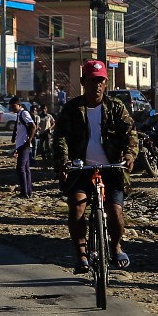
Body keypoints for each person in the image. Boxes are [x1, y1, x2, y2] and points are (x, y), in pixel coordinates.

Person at [58, 59, 137, 272]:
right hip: (80, 170)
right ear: (83, 81)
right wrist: (63, 161)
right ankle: (81, 255)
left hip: (112, 169)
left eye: (101, 80)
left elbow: (130, 134)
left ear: (106, 82)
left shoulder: (116, 107)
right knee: (77, 208)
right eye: (93, 80)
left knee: (115, 211)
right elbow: (60, 138)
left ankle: (116, 246)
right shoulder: (72, 109)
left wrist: (130, 154)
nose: (97, 85)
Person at [9, 95, 36, 197]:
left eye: (14, 106)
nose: (12, 108)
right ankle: (28, 191)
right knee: (26, 169)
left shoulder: (24, 113)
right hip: (21, 145)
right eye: (11, 107)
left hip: (24, 145)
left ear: (19, 105)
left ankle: (24, 192)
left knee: (20, 168)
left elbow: (33, 126)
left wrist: (29, 140)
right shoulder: (19, 114)